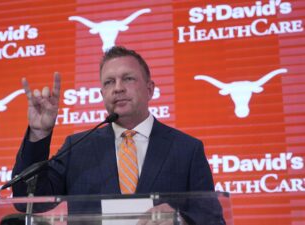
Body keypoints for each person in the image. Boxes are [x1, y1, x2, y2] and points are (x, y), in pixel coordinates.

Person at [12, 46, 222, 225]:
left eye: (128, 79)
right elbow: (28, 200)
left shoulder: (186, 149)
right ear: (102, 94)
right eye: (109, 82)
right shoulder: (77, 148)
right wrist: (39, 132)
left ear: (150, 89)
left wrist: (180, 219)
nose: (118, 88)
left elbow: (213, 219)